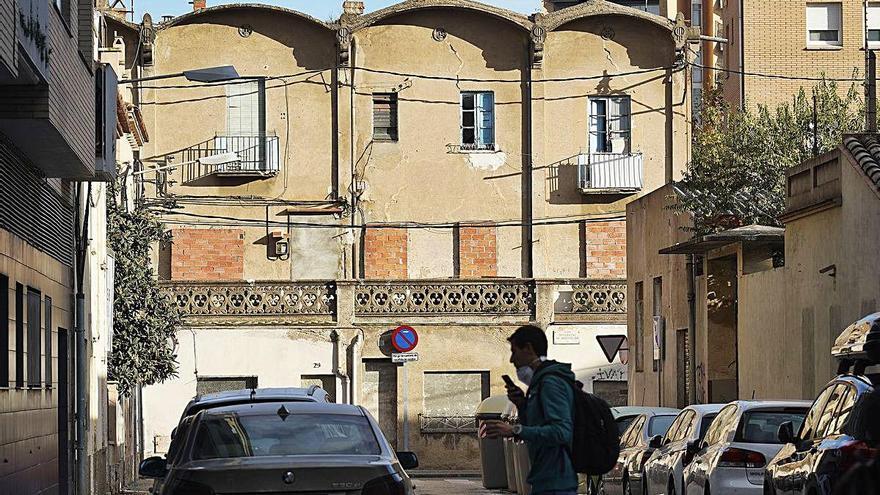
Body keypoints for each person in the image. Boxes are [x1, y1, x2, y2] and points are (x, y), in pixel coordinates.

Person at [480, 325, 578, 495]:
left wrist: (515, 430)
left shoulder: (550, 383)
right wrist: (522, 405)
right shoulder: (539, 384)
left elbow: (562, 432)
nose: (512, 360)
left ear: (529, 348)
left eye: (514, 351)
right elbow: (539, 425)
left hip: (556, 481)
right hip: (545, 478)